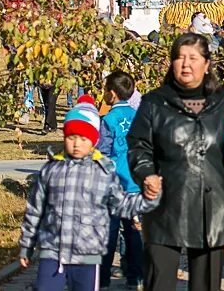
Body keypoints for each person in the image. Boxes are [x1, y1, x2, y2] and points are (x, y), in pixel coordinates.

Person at [128, 33, 224, 291]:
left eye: (193, 58)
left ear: (207, 63)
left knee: (206, 284)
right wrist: (146, 174)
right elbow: (138, 145)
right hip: (166, 202)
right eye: (179, 58)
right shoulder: (155, 102)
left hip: (213, 204)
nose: (185, 64)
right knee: (160, 281)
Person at [19, 96, 161, 291]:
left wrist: (150, 198)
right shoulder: (51, 170)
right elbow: (35, 210)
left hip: (88, 255)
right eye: (72, 137)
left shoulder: (103, 172)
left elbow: (122, 204)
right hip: (53, 252)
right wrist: (27, 244)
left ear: (94, 141)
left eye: (83, 138)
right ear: (64, 138)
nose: (77, 144)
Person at [99, 71, 145, 289]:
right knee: (134, 233)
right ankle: (135, 276)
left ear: (111, 93)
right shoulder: (138, 115)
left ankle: (104, 277)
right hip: (135, 182)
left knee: (109, 232)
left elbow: (103, 154)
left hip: (115, 184)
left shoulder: (108, 120)